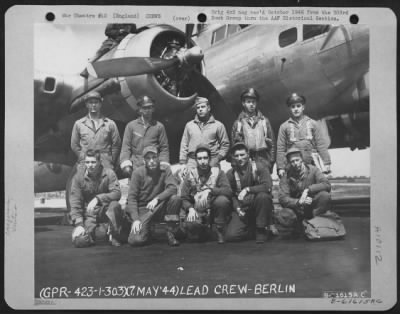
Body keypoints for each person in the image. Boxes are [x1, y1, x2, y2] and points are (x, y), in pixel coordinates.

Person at [126, 146, 181, 247]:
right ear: (144, 160)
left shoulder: (165, 170)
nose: (151, 161)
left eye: (154, 157)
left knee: (175, 199)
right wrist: (136, 219)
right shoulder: (137, 173)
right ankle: (148, 231)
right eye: (148, 158)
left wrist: (157, 199)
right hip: (143, 210)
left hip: (159, 207)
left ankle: (170, 232)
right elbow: (132, 199)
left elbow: (173, 188)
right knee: (135, 240)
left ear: (158, 157)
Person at [70, 149, 125, 248]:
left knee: (115, 206)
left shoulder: (109, 173)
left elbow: (117, 193)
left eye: (93, 162)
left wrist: (98, 199)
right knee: (80, 241)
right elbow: (75, 202)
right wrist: (79, 224)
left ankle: (114, 234)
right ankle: (94, 233)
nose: (90, 165)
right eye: (87, 162)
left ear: (99, 162)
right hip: (89, 213)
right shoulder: (78, 178)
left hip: (105, 210)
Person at [180, 144, 232, 244]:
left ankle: (219, 229)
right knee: (192, 233)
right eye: (199, 158)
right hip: (198, 209)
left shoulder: (218, 173)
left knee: (223, 200)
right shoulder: (190, 175)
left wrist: (210, 190)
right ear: (196, 160)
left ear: (209, 158)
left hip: (213, 210)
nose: (203, 161)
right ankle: (203, 230)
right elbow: (183, 197)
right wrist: (190, 209)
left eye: (205, 158)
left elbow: (228, 191)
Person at [225, 143, 275, 243]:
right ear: (233, 157)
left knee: (263, 196)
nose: (240, 158)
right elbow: (231, 195)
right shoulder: (230, 173)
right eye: (236, 156)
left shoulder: (259, 167)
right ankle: (252, 228)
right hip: (243, 207)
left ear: (248, 154)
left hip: (258, 205)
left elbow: (267, 186)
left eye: (242, 155)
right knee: (231, 236)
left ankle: (261, 228)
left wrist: (248, 189)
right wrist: (237, 209)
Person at [276, 147, 331, 238]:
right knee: (284, 214)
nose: (295, 163)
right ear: (289, 163)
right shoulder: (286, 176)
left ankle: (316, 223)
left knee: (325, 196)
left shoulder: (313, 170)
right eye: (292, 161)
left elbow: (326, 184)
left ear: (302, 159)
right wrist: (298, 202)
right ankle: (298, 227)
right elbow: (282, 198)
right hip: (297, 209)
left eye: (297, 160)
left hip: (312, 205)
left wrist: (308, 189)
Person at [276, 93, 331, 178]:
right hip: (293, 166)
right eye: (293, 107)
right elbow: (280, 149)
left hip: (311, 164)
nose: (296, 109)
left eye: (298, 106)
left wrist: (326, 162)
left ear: (303, 107)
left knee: (317, 187)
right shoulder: (284, 126)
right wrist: (280, 167)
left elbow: (320, 145)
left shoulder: (313, 124)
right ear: (290, 109)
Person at [120, 95, 170, 179]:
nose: (147, 110)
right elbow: (126, 147)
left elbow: (164, 148)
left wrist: (163, 163)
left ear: (153, 109)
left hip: (153, 165)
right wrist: (126, 163)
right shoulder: (131, 126)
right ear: (140, 110)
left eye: (150, 107)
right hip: (136, 166)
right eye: (145, 108)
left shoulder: (159, 126)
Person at [70, 91, 121, 171]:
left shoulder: (110, 124)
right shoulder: (79, 124)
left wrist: (110, 159)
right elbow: (74, 145)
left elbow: (116, 144)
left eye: (96, 102)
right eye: (90, 102)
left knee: (107, 182)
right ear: (86, 105)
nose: (93, 105)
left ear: (100, 104)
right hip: (86, 163)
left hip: (105, 163)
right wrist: (83, 157)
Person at [231, 88, 276, 172]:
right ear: (243, 103)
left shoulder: (264, 121)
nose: (251, 104)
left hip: (263, 159)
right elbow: (234, 146)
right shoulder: (238, 124)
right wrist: (235, 164)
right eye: (248, 102)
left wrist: (271, 161)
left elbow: (272, 143)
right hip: (245, 161)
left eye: (253, 102)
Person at [179, 96, 230, 170]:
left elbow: (225, 144)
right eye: (198, 107)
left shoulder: (218, 125)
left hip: (211, 160)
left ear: (208, 108)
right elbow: (184, 144)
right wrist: (183, 162)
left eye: (203, 107)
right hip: (193, 161)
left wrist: (218, 158)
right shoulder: (189, 125)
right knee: (190, 179)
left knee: (214, 180)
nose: (200, 109)